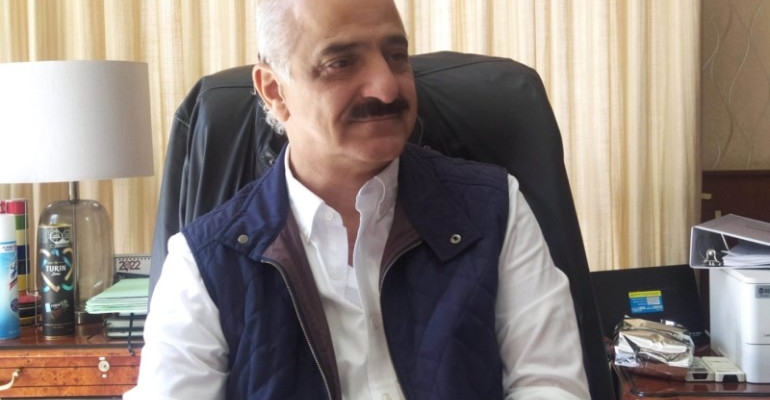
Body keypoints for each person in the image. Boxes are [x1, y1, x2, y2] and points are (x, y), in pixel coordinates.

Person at [124, 0, 591, 398]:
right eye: (341, 62)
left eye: (396, 56)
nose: (387, 87)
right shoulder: (202, 263)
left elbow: (550, 385)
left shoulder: (495, 209)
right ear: (275, 91)